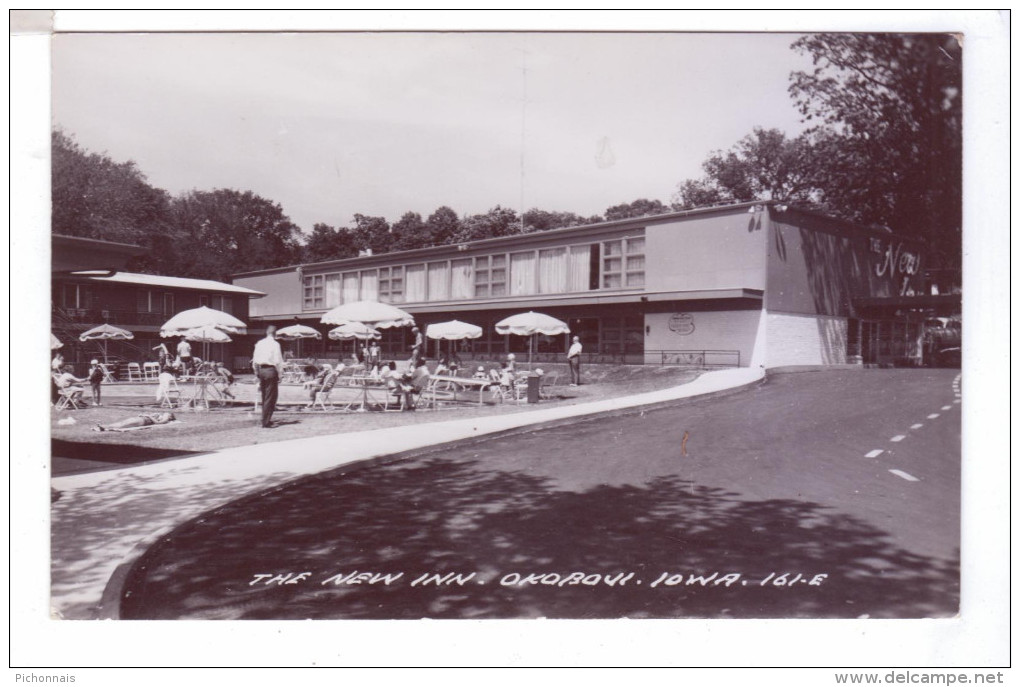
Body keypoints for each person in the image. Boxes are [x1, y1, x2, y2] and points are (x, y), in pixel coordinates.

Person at [252, 324, 284, 428]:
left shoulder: (259, 343)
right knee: (271, 397)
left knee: (264, 396)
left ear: (266, 332)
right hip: (271, 370)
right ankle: (266, 421)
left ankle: (264, 419)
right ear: (275, 334)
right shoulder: (275, 344)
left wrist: (256, 372)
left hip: (261, 370)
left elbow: (254, 359)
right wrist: (280, 374)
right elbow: (278, 361)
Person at [93, 412, 176, 432]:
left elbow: (157, 423)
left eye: (167, 413)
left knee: (123, 425)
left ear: (170, 416)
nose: (165, 412)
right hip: (142, 418)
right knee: (122, 423)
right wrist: (145, 414)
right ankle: (103, 426)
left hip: (144, 421)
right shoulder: (161, 415)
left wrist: (149, 416)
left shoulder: (166, 419)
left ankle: (103, 426)